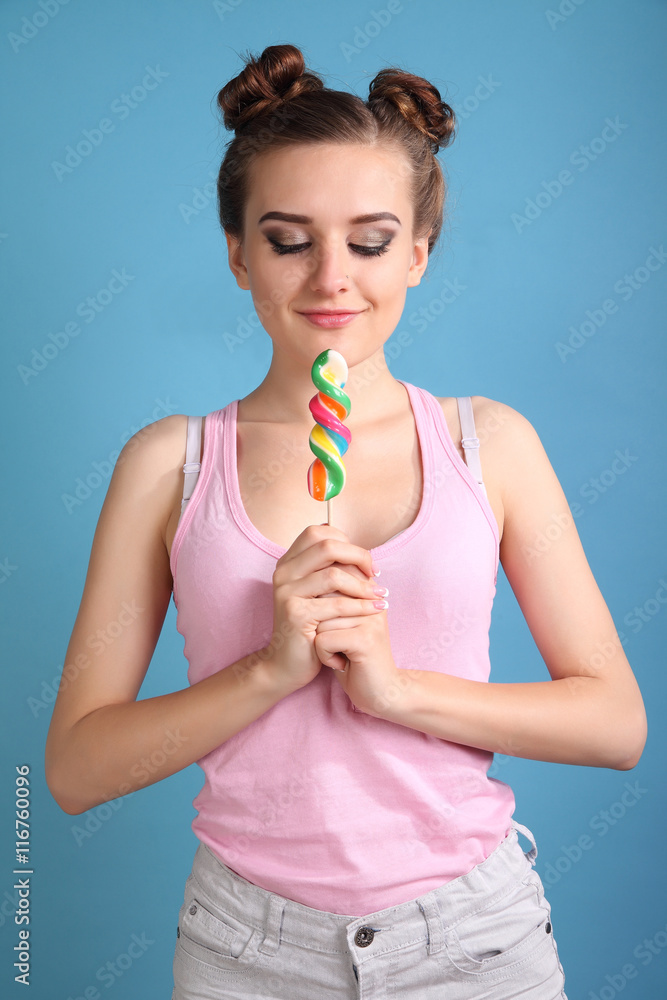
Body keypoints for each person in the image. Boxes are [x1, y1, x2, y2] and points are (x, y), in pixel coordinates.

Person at [45, 42, 646, 999]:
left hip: (473, 942)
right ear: (238, 254)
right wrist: (270, 670)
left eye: (368, 242)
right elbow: (74, 769)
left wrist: (399, 692)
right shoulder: (169, 464)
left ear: (417, 251)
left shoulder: (491, 445)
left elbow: (615, 724)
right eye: (288, 240)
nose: (332, 278)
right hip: (245, 948)